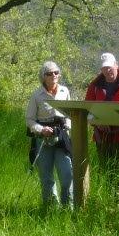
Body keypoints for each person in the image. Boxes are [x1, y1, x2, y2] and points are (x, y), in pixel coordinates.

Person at [25, 60, 73, 209]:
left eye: (56, 72)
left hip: (62, 138)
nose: (54, 75)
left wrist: (67, 127)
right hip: (43, 139)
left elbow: (70, 115)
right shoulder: (36, 95)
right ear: (43, 76)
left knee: (67, 174)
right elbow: (29, 119)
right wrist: (41, 129)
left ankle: (68, 208)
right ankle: (51, 208)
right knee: (46, 177)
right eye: (49, 73)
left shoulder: (65, 91)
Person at [85, 52, 119, 177]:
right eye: (104, 68)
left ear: (116, 65)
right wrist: (98, 122)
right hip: (102, 137)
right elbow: (87, 108)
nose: (107, 70)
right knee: (107, 173)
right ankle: (111, 191)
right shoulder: (95, 85)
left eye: (109, 67)